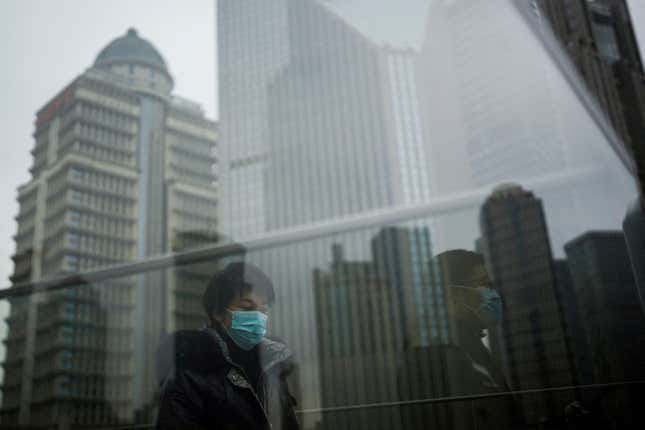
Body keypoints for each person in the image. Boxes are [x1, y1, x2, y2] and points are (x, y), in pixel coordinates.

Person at [156, 262, 300, 430]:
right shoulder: (189, 372)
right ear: (217, 312)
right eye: (247, 308)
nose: (258, 317)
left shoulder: (272, 366)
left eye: (264, 310)